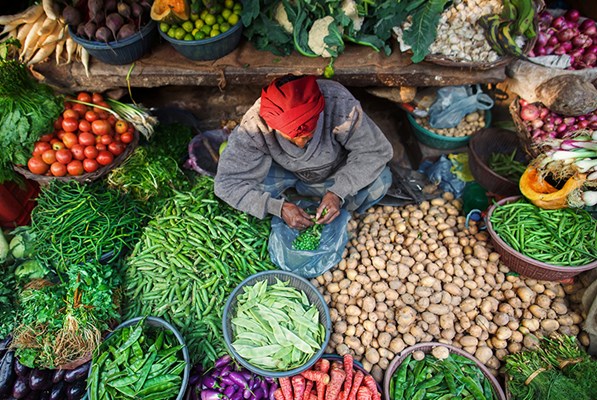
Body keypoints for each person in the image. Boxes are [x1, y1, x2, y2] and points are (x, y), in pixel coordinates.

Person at [214, 74, 394, 230]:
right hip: (285, 175)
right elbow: (226, 183)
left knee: (381, 180)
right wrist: (277, 207)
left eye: (309, 136)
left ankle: (326, 202)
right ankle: (294, 201)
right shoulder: (255, 126)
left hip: (333, 172)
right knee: (242, 191)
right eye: (291, 138)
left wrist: (337, 192)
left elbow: (375, 151)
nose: (300, 143)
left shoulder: (338, 103)